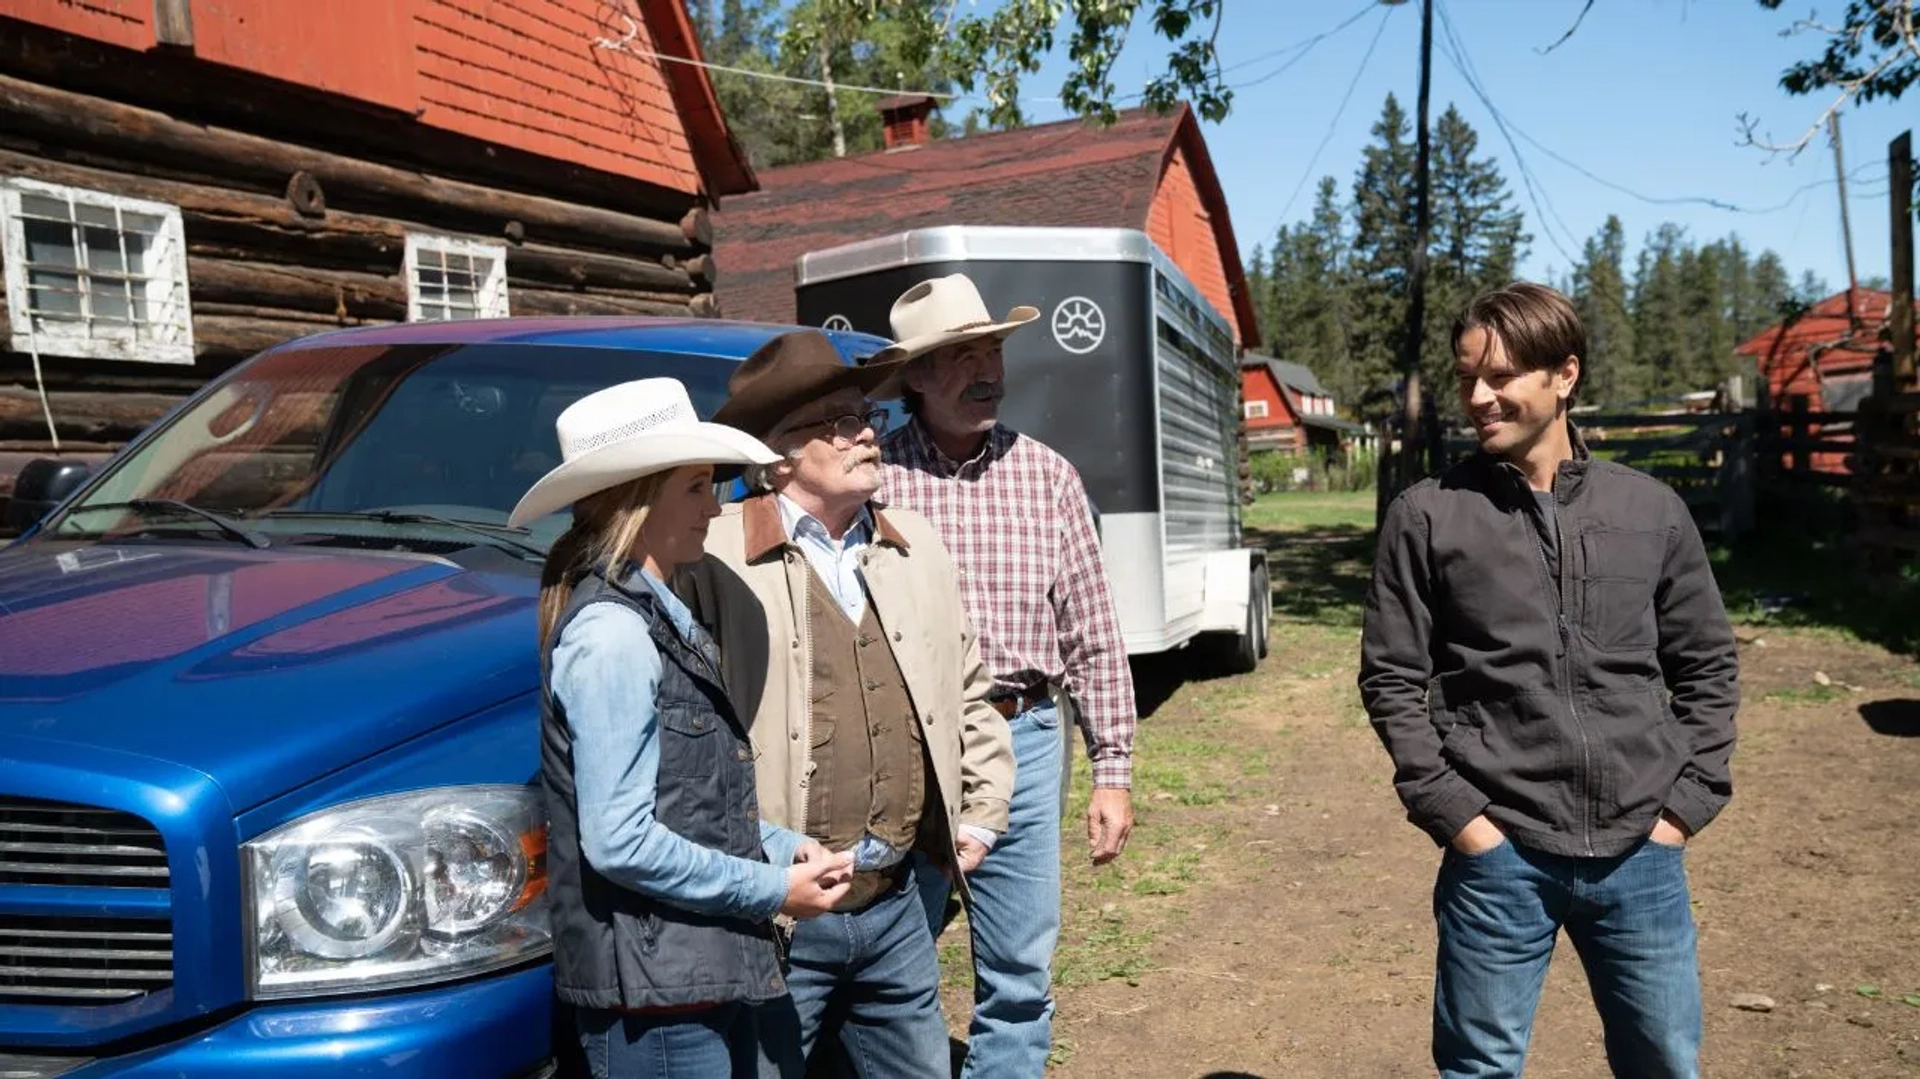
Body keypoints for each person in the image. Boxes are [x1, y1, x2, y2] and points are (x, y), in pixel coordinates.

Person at [1359, 282, 1739, 1078]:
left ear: (1564, 375)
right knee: (1479, 1067)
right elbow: (1392, 678)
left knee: (1665, 1061)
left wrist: (1686, 805)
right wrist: (1458, 816)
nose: (1478, 397)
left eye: (1500, 376)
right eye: (1468, 378)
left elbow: (1706, 664)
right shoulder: (1428, 514)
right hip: (1499, 852)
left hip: (1642, 849)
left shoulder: (1651, 510)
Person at [674, 331, 1015, 1078]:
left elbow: (968, 687)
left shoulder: (914, 543)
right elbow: (684, 743)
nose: (867, 430)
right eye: (837, 419)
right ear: (778, 453)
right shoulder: (716, 558)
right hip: (778, 920)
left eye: (865, 414)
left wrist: (983, 811)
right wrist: (761, 866)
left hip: (898, 903)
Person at [511, 377, 856, 1079]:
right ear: (641, 498)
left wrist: (781, 846)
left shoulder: (658, 614)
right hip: (656, 1000)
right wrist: (771, 888)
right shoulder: (612, 632)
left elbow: (684, 797)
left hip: (681, 978)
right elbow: (621, 841)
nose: (717, 504)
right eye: (697, 487)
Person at [867, 274, 1138, 1077]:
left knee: (1019, 972)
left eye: (993, 349)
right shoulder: (871, 480)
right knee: (892, 964)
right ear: (915, 375)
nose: (987, 368)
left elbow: (1093, 632)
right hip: (903, 745)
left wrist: (1112, 771)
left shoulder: (1048, 476)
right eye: (961, 355)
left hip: (1023, 733)